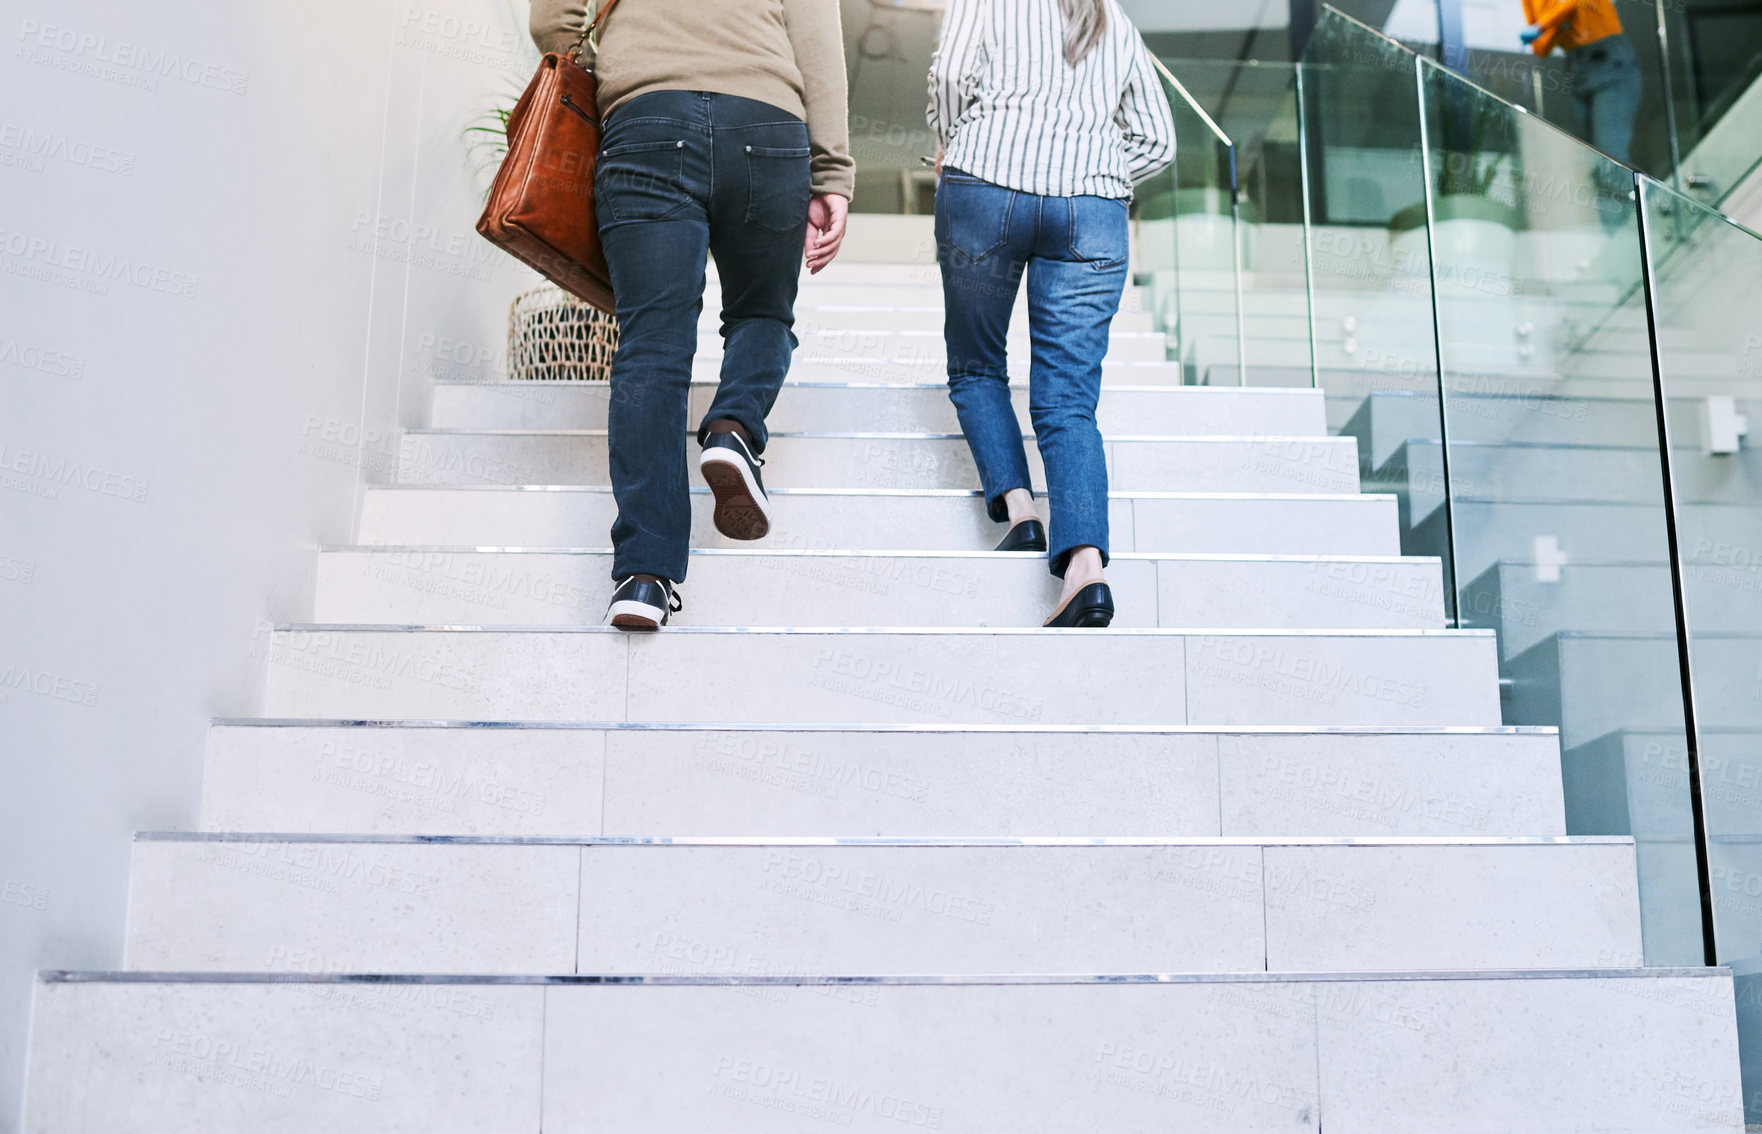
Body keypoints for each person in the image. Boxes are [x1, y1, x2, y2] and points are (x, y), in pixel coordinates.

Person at [531, 0, 854, 630]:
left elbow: (554, 17)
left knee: (652, 344)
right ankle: (733, 428)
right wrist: (832, 172)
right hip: (767, 124)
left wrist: (624, 62)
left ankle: (644, 578)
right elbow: (818, 42)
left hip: (647, 120)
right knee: (762, 311)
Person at [927, 0, 1175, 628]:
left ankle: (1021, 511)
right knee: (1068, 399)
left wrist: (956, 141)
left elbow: (953, 76)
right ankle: (1085, 571)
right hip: (1092, 210)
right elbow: (1160, 140)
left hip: (986, 183)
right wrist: (1099, 171)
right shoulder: (1113, 19)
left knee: (977, 366)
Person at [1521, 0, 1641, 166]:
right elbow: (1540, 47)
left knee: (1611, 160)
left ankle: (1636, 191)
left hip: (1608, 60)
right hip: (1576, 67)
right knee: (1591, 163)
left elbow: (1571, 4)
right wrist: (1554, 25)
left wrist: (1546, 25)